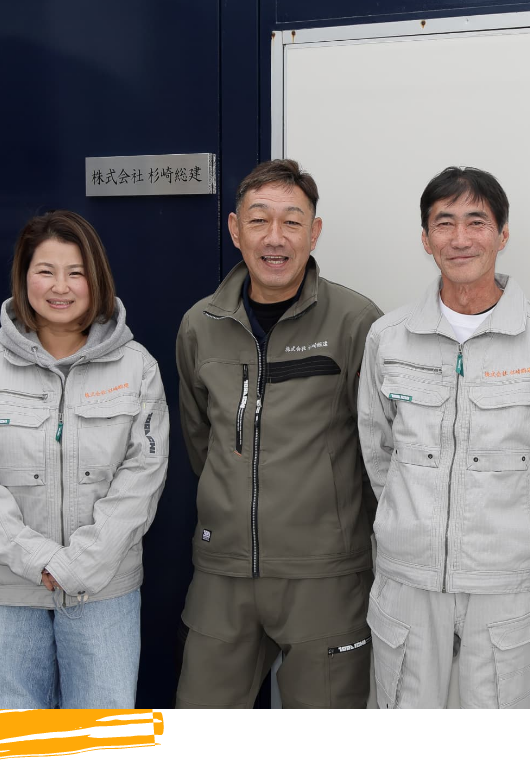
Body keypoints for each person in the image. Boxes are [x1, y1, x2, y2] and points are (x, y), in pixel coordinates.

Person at [357, 166, 530, 709]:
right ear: (426, 239)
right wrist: (412, 524)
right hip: (408, 578)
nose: (460, 238)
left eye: (476, 222)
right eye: (444, 223)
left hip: (505, 582)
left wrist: (519, 532)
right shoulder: (389, 338)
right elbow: (378, 448)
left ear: (502, 234)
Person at [0, 209, 169, 709]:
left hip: (103, 593)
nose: (60, 287)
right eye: (45, 271)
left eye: (76, 272)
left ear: (96, 279)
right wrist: (38, 559)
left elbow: (143, 478)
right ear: (24, 278)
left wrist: (80, 563)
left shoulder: (138, 369)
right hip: (7, 593)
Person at [174, 159, 382, 709]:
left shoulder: (356, 322)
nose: (275, 237)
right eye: (259, 219)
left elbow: (379, 449)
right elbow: (200, 439)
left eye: (292, 221)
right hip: (222, 575)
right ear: (234, 228)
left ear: (314, 232)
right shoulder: (200, 325)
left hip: (325, 577)